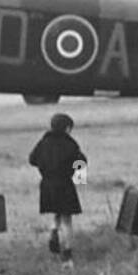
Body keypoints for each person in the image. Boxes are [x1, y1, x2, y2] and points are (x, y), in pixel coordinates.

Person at [28, 113, 86, 265]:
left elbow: (32, 159)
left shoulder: (44, 142)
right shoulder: (71, 144)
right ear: (67, 128)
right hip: (65, 184)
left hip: (46, 184)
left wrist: (45, 167)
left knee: (56, 213)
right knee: (67, 219)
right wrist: (79, 179)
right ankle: (67, 254)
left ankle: (53, 231)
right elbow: (81, 161)